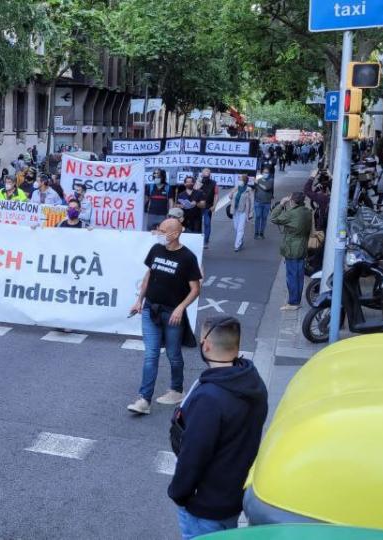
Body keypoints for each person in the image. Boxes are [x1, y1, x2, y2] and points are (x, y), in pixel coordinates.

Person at [168, 316, 268, 539]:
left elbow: (194, 453)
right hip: (232, 498)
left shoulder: (209, 398)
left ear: (207, 345)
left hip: (203, 506)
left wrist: (179, 492)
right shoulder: (254, 383)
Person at [127, 218, 203, 415]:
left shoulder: (187, 257)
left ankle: (177, 389)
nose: (158, 234)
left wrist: (180, 308)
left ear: (175, 233)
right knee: (151, 354)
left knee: (173, 354)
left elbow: (195, 289)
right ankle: (144, 399)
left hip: (172, 314)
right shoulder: (156, 250)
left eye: (162, 231)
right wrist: (139, 301)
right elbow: (148, 276)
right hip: (150, 309)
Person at [269, 193, 312, 311]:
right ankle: (296, 300)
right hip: (302, 247)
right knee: (299, 276)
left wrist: (282, 204)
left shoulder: (292, 213)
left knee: (292, 276)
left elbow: (273, 218)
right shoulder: (307, 212)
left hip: (292, 248)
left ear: (292, 201)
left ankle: (293, 303)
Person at [226, 174, 255, 252]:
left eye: (241, 179)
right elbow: (230, 197)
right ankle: (240, 241)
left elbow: (252, 202)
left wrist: (251, 213)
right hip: (235, 211)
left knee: (240, 229)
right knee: (236, 228)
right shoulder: (237, 187)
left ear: (245, 180)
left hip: (243, 211)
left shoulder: (249, 189)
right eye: (239, 179)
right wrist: (232, 192)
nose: (240, 181)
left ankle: (237, 245)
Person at [195, 169, 217, 245]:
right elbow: (195, 190)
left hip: (208, 206)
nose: (206, 175)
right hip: (199, 206)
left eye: (208, 173)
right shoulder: (199, 181)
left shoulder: (214, 183)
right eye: (205, 173)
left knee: (207, 223)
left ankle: (206, 240)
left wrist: (214, 205)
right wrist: (199, 181)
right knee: (197, 223)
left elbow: (216, 195)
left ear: (210, 175)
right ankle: (198, 239)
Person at [252, 170, 274, 240]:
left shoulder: (271, 180)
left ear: (269, 174)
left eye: (267, 173)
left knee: (264, 218)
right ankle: (256, 233)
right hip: (258, 202)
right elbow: (252, 189)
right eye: (264, 172)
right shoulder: (258, 180)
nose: (265, 174)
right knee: (258, 216)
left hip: (267, 203)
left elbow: (266, 188)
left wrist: (257, 183)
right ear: (262, 173)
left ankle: (261, 233)